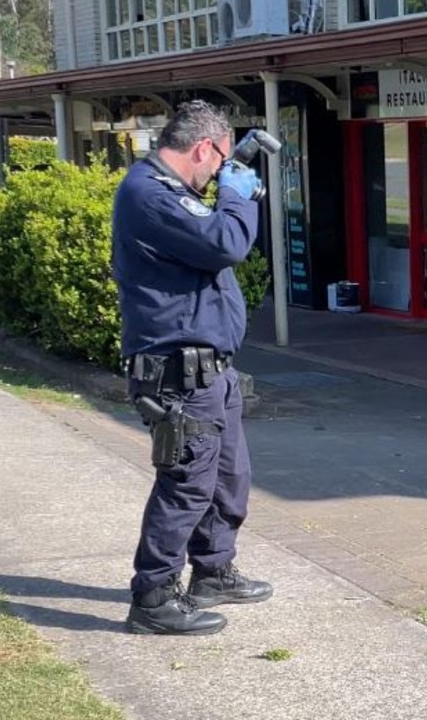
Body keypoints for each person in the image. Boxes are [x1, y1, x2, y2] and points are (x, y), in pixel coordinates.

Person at [111, 100, 272, 636]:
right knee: (185, 484)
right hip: (178, 372)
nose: (220, 174)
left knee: (228, 478)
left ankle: (213, 570)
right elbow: (224, 243)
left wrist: (227, 193)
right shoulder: (149, 194)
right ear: (205, 147)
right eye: (221, 161)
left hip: (212, 370)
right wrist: (235, 195)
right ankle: (153, 597)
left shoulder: (176, 194)